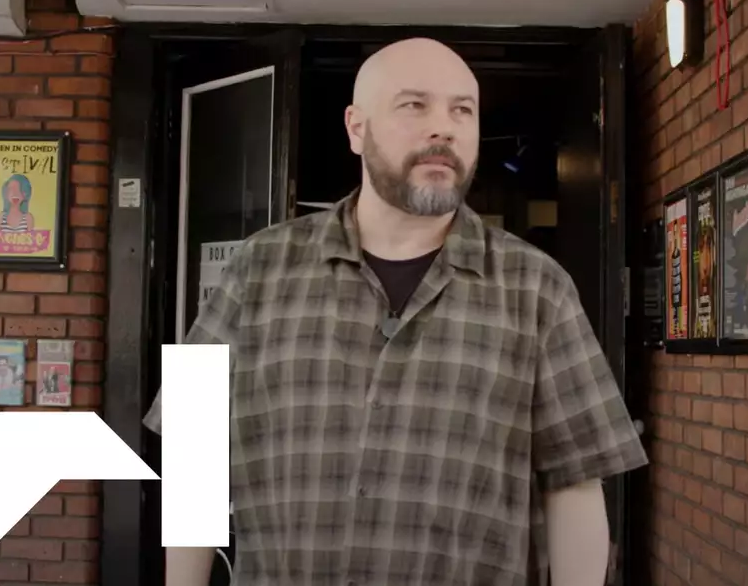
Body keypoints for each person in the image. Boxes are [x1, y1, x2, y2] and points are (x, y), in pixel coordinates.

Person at [144, 37, 648, 586]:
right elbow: (193, 457)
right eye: (415, 105)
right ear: (356, 128)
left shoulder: (539, 289)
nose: (445, 127)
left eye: (463, 109)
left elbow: (574, 484)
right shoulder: (254, 268)